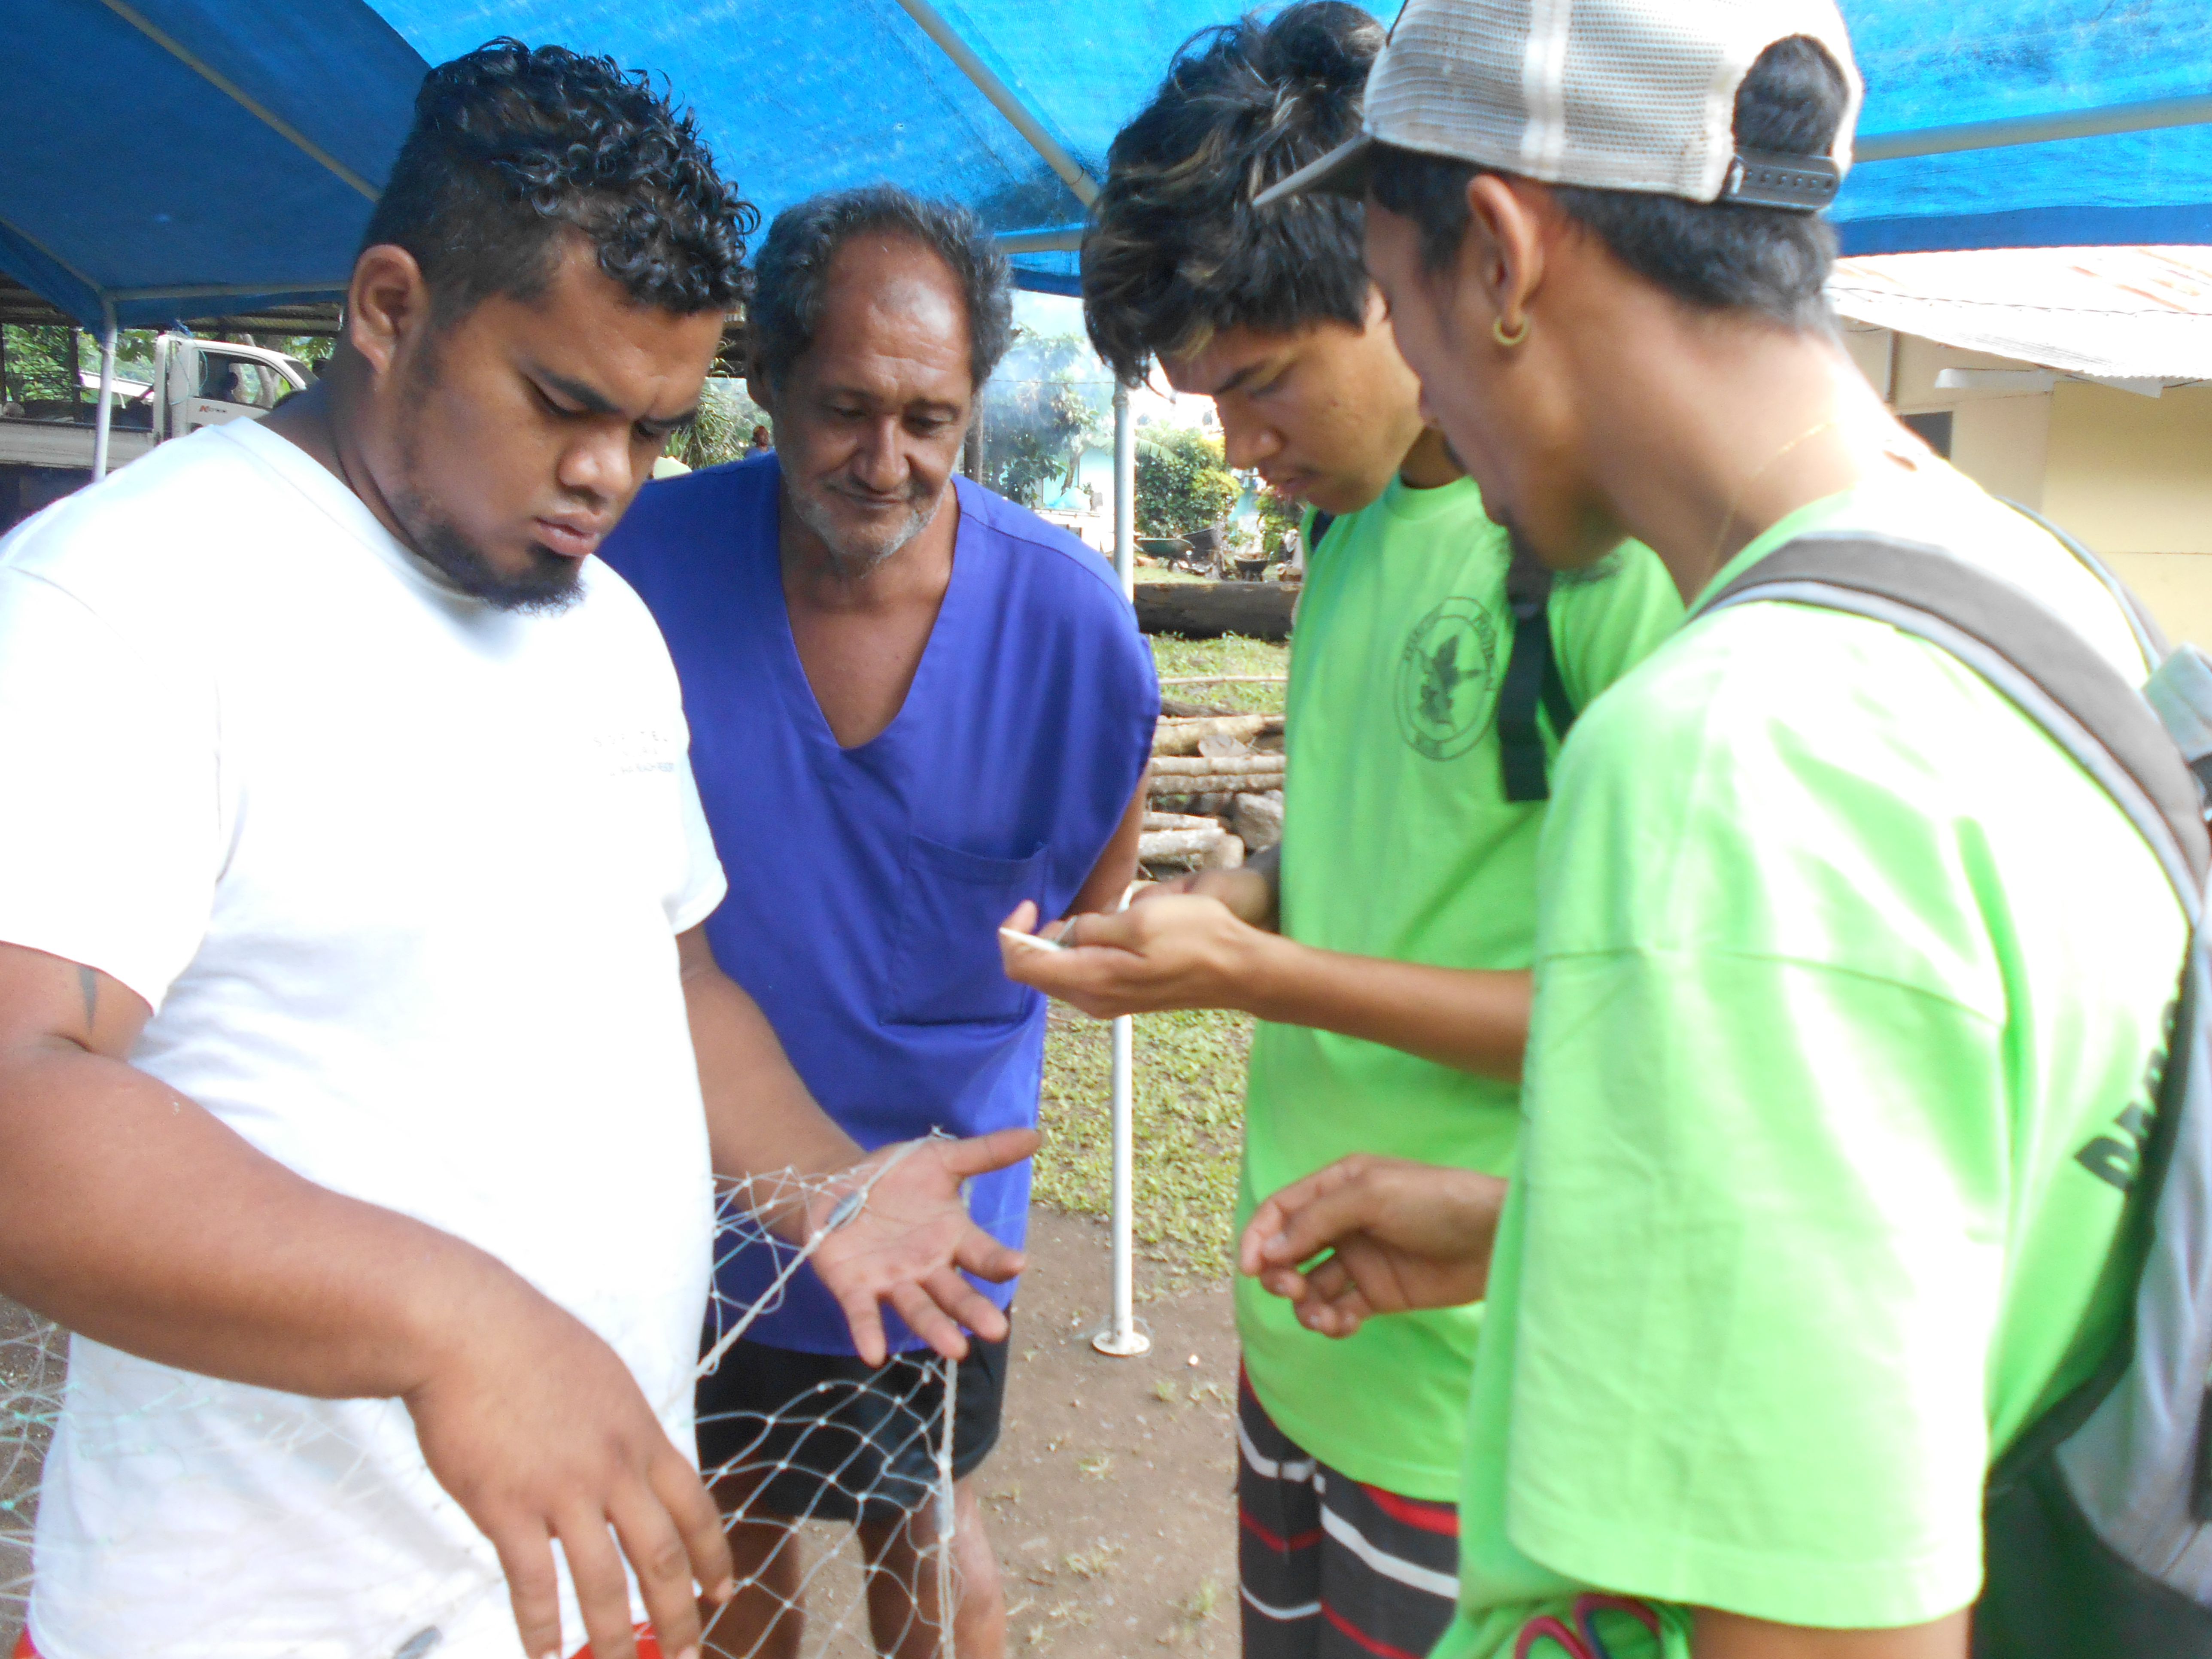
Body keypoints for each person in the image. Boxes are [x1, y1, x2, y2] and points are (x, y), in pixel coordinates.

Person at [0, 42, 1030, 1659]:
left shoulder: (598, 624)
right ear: (390, 308)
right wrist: (452, 1325)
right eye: (562, 404)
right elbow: (17, 1089)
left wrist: (828, 1183)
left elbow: (675, 981)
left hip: (579, 1588)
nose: (608, 478)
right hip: (265, 1612)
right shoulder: (128, 601)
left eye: (652, 425)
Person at [1241, 3, 2192, 1658]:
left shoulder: (1732, 758)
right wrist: (1547, 1235)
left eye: (1404, 311)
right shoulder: (2041, 597)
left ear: (1500, 255)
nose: (1434, 418)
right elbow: (1973, 1219)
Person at [1004, 9, 1678, 1658]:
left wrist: (1259, 973)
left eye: (1257, 386)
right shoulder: (1360, 532)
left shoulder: (1614, 556)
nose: (1238, 449)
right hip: (1301, 1336)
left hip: (1490, 1392)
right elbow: (1383, 849)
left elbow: (1661, 1027)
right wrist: (1228, 900)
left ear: (1394, 271)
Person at [599, 185, 1155, 1659]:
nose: (886, 458)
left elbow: (1095, 910)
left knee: (925, 1529)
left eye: (932, 417)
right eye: (845, 407)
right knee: (727, 1539)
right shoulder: (632, 576)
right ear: (766, 377)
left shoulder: (1073, 628)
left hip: (930, 1199)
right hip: (699, 1185)